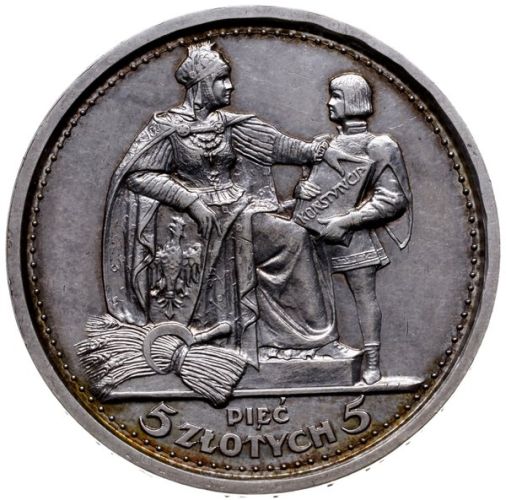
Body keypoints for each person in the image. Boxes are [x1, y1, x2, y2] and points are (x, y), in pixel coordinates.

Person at [102, 42, 339, 368]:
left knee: (295, 235)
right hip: (191, 225)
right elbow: (137, 175)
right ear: (201, 85)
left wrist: (311, 151)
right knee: (292, 237)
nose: (229, 86)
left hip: (238, 209)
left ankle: (304, 340)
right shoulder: (168, 128)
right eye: (221, 79)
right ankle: (299, 339)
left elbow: (274, 145)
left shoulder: (227, 125)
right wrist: (189, 200)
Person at [295, 73, 412, 383]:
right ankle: (321, 348)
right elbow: (314, 191)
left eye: (336, 96)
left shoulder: (379, 146)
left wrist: (346, 221)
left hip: (354, 238)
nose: (329, 103)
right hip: (314, 236)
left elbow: (393, 200)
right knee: (312, 299)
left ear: (353, 100)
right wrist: (301, 191)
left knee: (363, 297)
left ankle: (372, 361)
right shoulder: (324, 144)